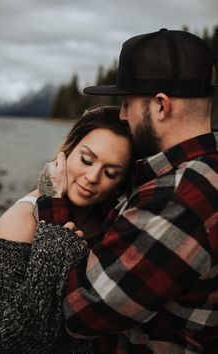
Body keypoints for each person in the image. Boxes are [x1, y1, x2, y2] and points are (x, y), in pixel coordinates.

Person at [57, 28, 217, 353]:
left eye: (127, 103)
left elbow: (81, 311)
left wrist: (52, 206)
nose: (122, 115)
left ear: (161, 106)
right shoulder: (200, 174)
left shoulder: (179, 194)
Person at [0, 106, 133, 353]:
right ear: (67, 152)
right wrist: (56, 235)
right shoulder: (20, 222)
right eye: (86, 159)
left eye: (111, 172)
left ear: (120, 185)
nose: (92, 176)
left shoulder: (113, 224)